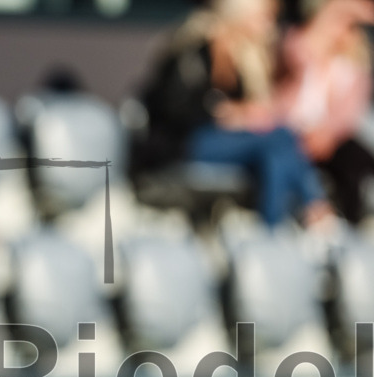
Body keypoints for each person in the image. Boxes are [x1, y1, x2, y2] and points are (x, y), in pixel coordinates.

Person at [138, 0, 335, 227]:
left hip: (219, 140)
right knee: (280, 136)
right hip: (184, 141)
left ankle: (275, 228)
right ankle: (310, 211)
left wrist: (247, 114)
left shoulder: (246, 55)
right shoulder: (198, 48)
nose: (271, 25)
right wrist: (224, 113)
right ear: (242, 14)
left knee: (276, 151)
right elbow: (176, 105)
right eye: (265, 17)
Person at [280, 0, 374, 223]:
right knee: (288, 153)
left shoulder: (354, 68)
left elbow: (347, 113)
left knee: (356, 163)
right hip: (294, 129)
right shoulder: (299, 47)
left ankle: (354, 220)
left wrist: (327, 133)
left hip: (331, 136)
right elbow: (295, 56)